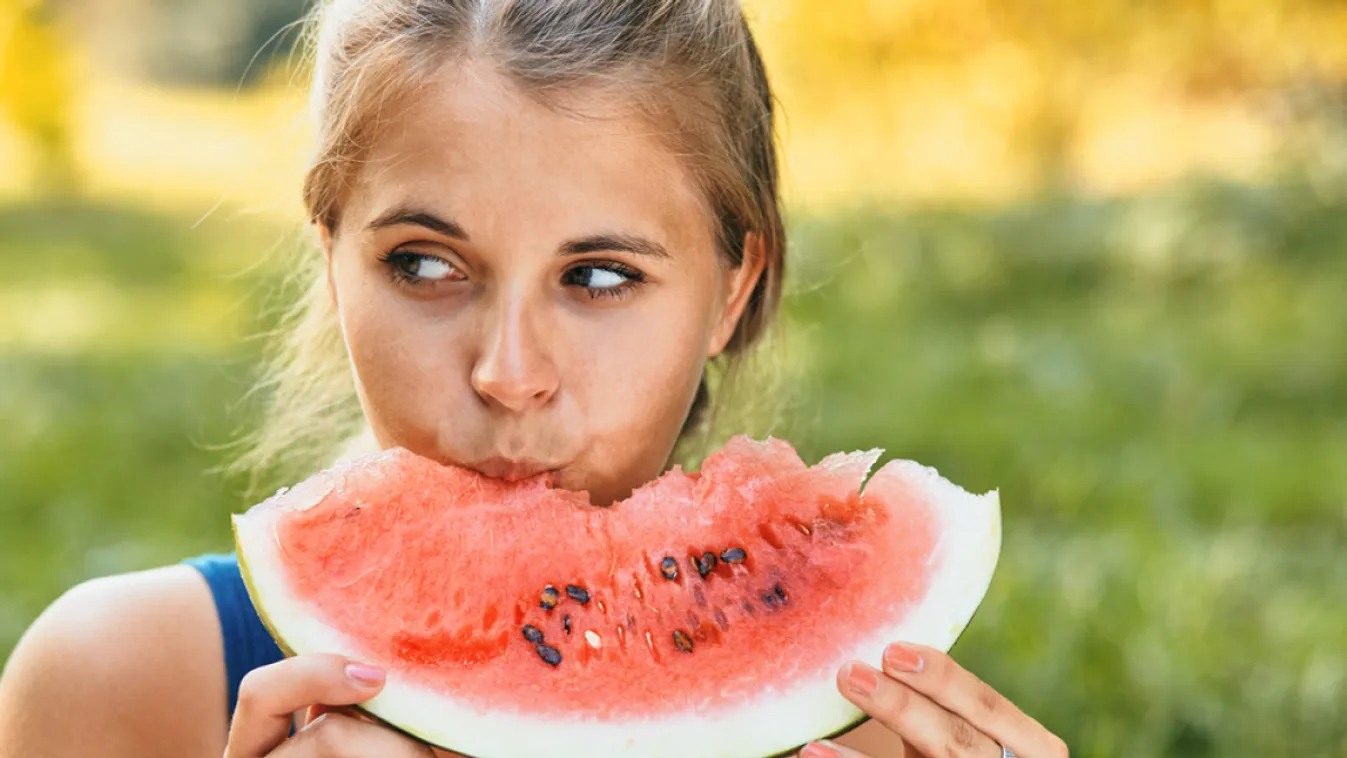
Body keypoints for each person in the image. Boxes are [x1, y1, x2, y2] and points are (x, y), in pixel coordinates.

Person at [0, 2, 1067, 756]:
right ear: (332, 258)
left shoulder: (872, 722)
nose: (508, 373)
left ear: (732, 290)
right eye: (425, 264)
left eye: (600, 276)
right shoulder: (120, 686)